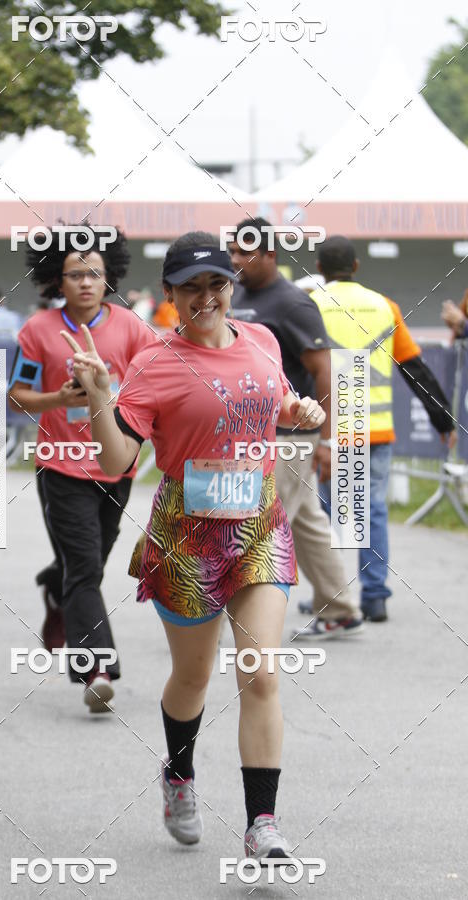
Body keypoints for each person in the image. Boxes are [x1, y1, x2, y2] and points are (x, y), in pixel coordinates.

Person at [63, 231, 325, 860]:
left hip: (258, 523)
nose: (206, 296)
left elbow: (266, 401)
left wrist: (298, 413)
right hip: (187, 533)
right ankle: (178, 773)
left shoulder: (261, 340)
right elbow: (119, 457)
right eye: (191, 287)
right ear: (171, 296)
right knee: (194, 674)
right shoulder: (155, 364)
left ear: (230, 284)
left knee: (260, 672)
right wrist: (101, 394)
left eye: (216, 282)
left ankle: (262, 824)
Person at [8, 226, 154, 713]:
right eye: (75, 274)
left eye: (94, 272)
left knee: (85, 565)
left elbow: (152, 388)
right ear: (57, 279)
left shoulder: (133, 329)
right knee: (87, 570)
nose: (86, 282)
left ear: (108, 276)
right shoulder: (37, 331)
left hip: (117, 466)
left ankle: (55, 584)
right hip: (61, 466)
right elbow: (16, 394)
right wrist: (58, 398)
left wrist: (107, 397)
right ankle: (96, 668)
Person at [306, 236, 456, 622]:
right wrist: (443, 420)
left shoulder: (309, 305)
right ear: (356, 267)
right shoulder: (383, 306)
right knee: (370, 509)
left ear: (320, 269)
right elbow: (415, 369)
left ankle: (331, 594)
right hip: (376, 431)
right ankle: (375, 596)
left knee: (328, 513)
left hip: (332, 431)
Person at [228, 219, 363, 640]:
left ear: (270, 254)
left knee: (253, 520)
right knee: (303, 518)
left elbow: (324, 371)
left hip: (290, 435)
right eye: (231, 251)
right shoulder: (238, 294)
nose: (234, 260)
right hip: (254, 431)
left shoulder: (293, 303)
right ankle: (340, 607)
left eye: (243, 253)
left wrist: (327, 440)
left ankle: (226, 616)